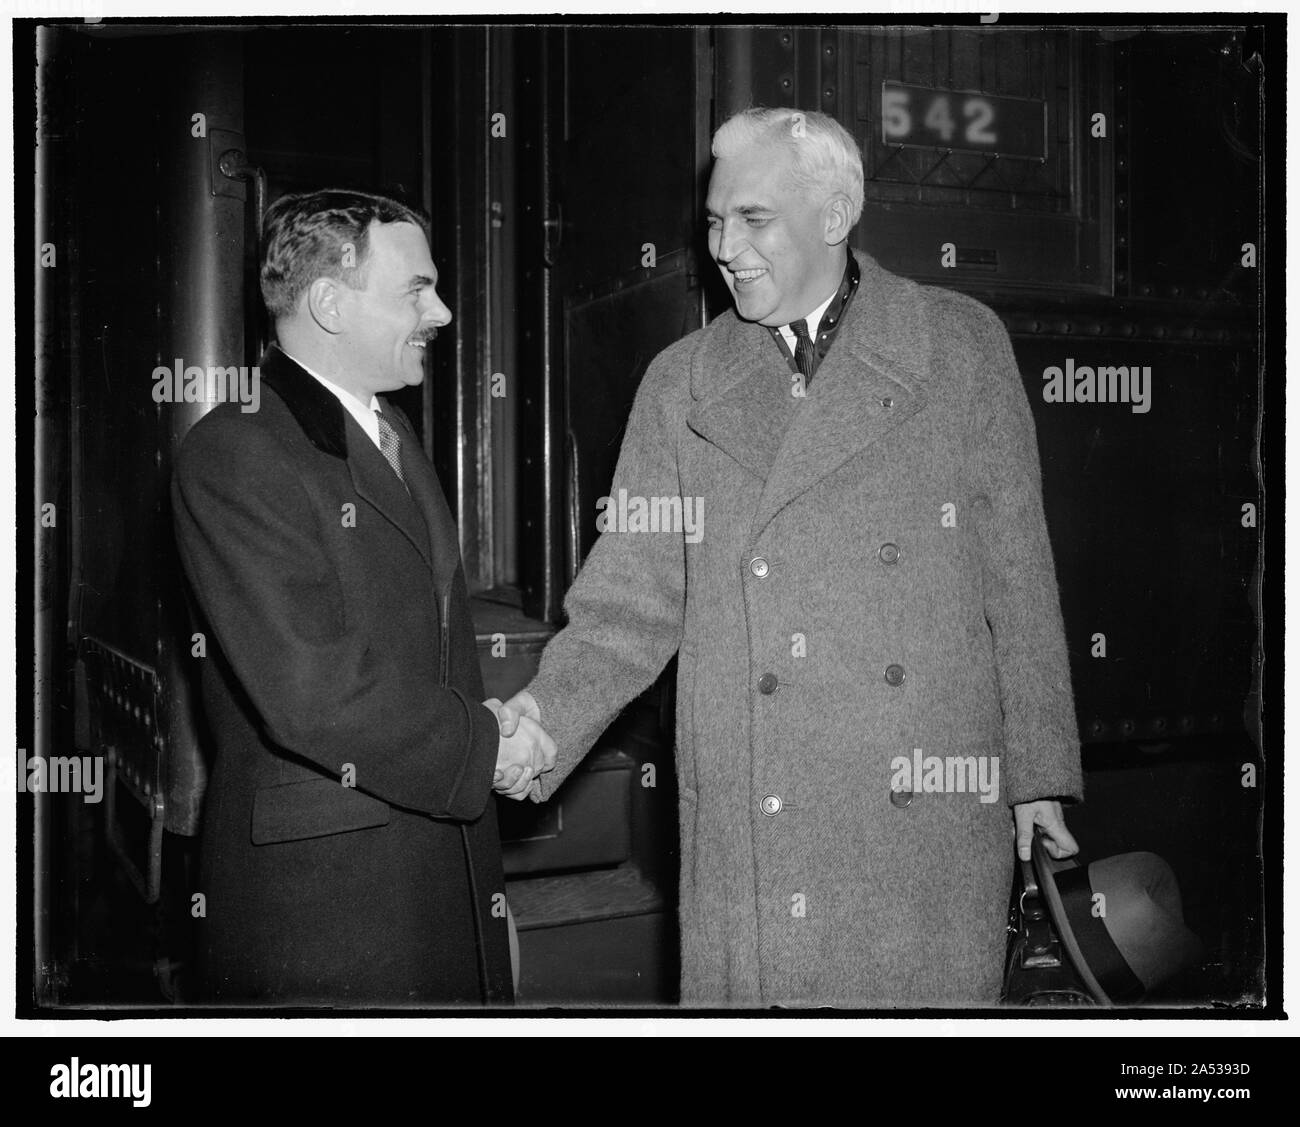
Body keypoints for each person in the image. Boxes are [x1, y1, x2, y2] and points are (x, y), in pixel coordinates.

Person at [493, 109, 1083, 1006]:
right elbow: (629, 602)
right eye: (715, 221)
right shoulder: (679, 384)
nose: (725, 246)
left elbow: (1018, 571)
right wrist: (542, 720)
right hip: (756, 812)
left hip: (924, 796)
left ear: (836, 213)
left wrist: (1038, 773)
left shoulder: (959, 345)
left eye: (754, 219)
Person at [173, 189, 553, 1005]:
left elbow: (431, 654)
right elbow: (314, 692)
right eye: (417, 288)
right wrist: (487, 749)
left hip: (433, 880)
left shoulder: (391, 431)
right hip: (333, 917)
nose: (443, 312)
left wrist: (483, 898)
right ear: (329, 303)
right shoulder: (235, 452)